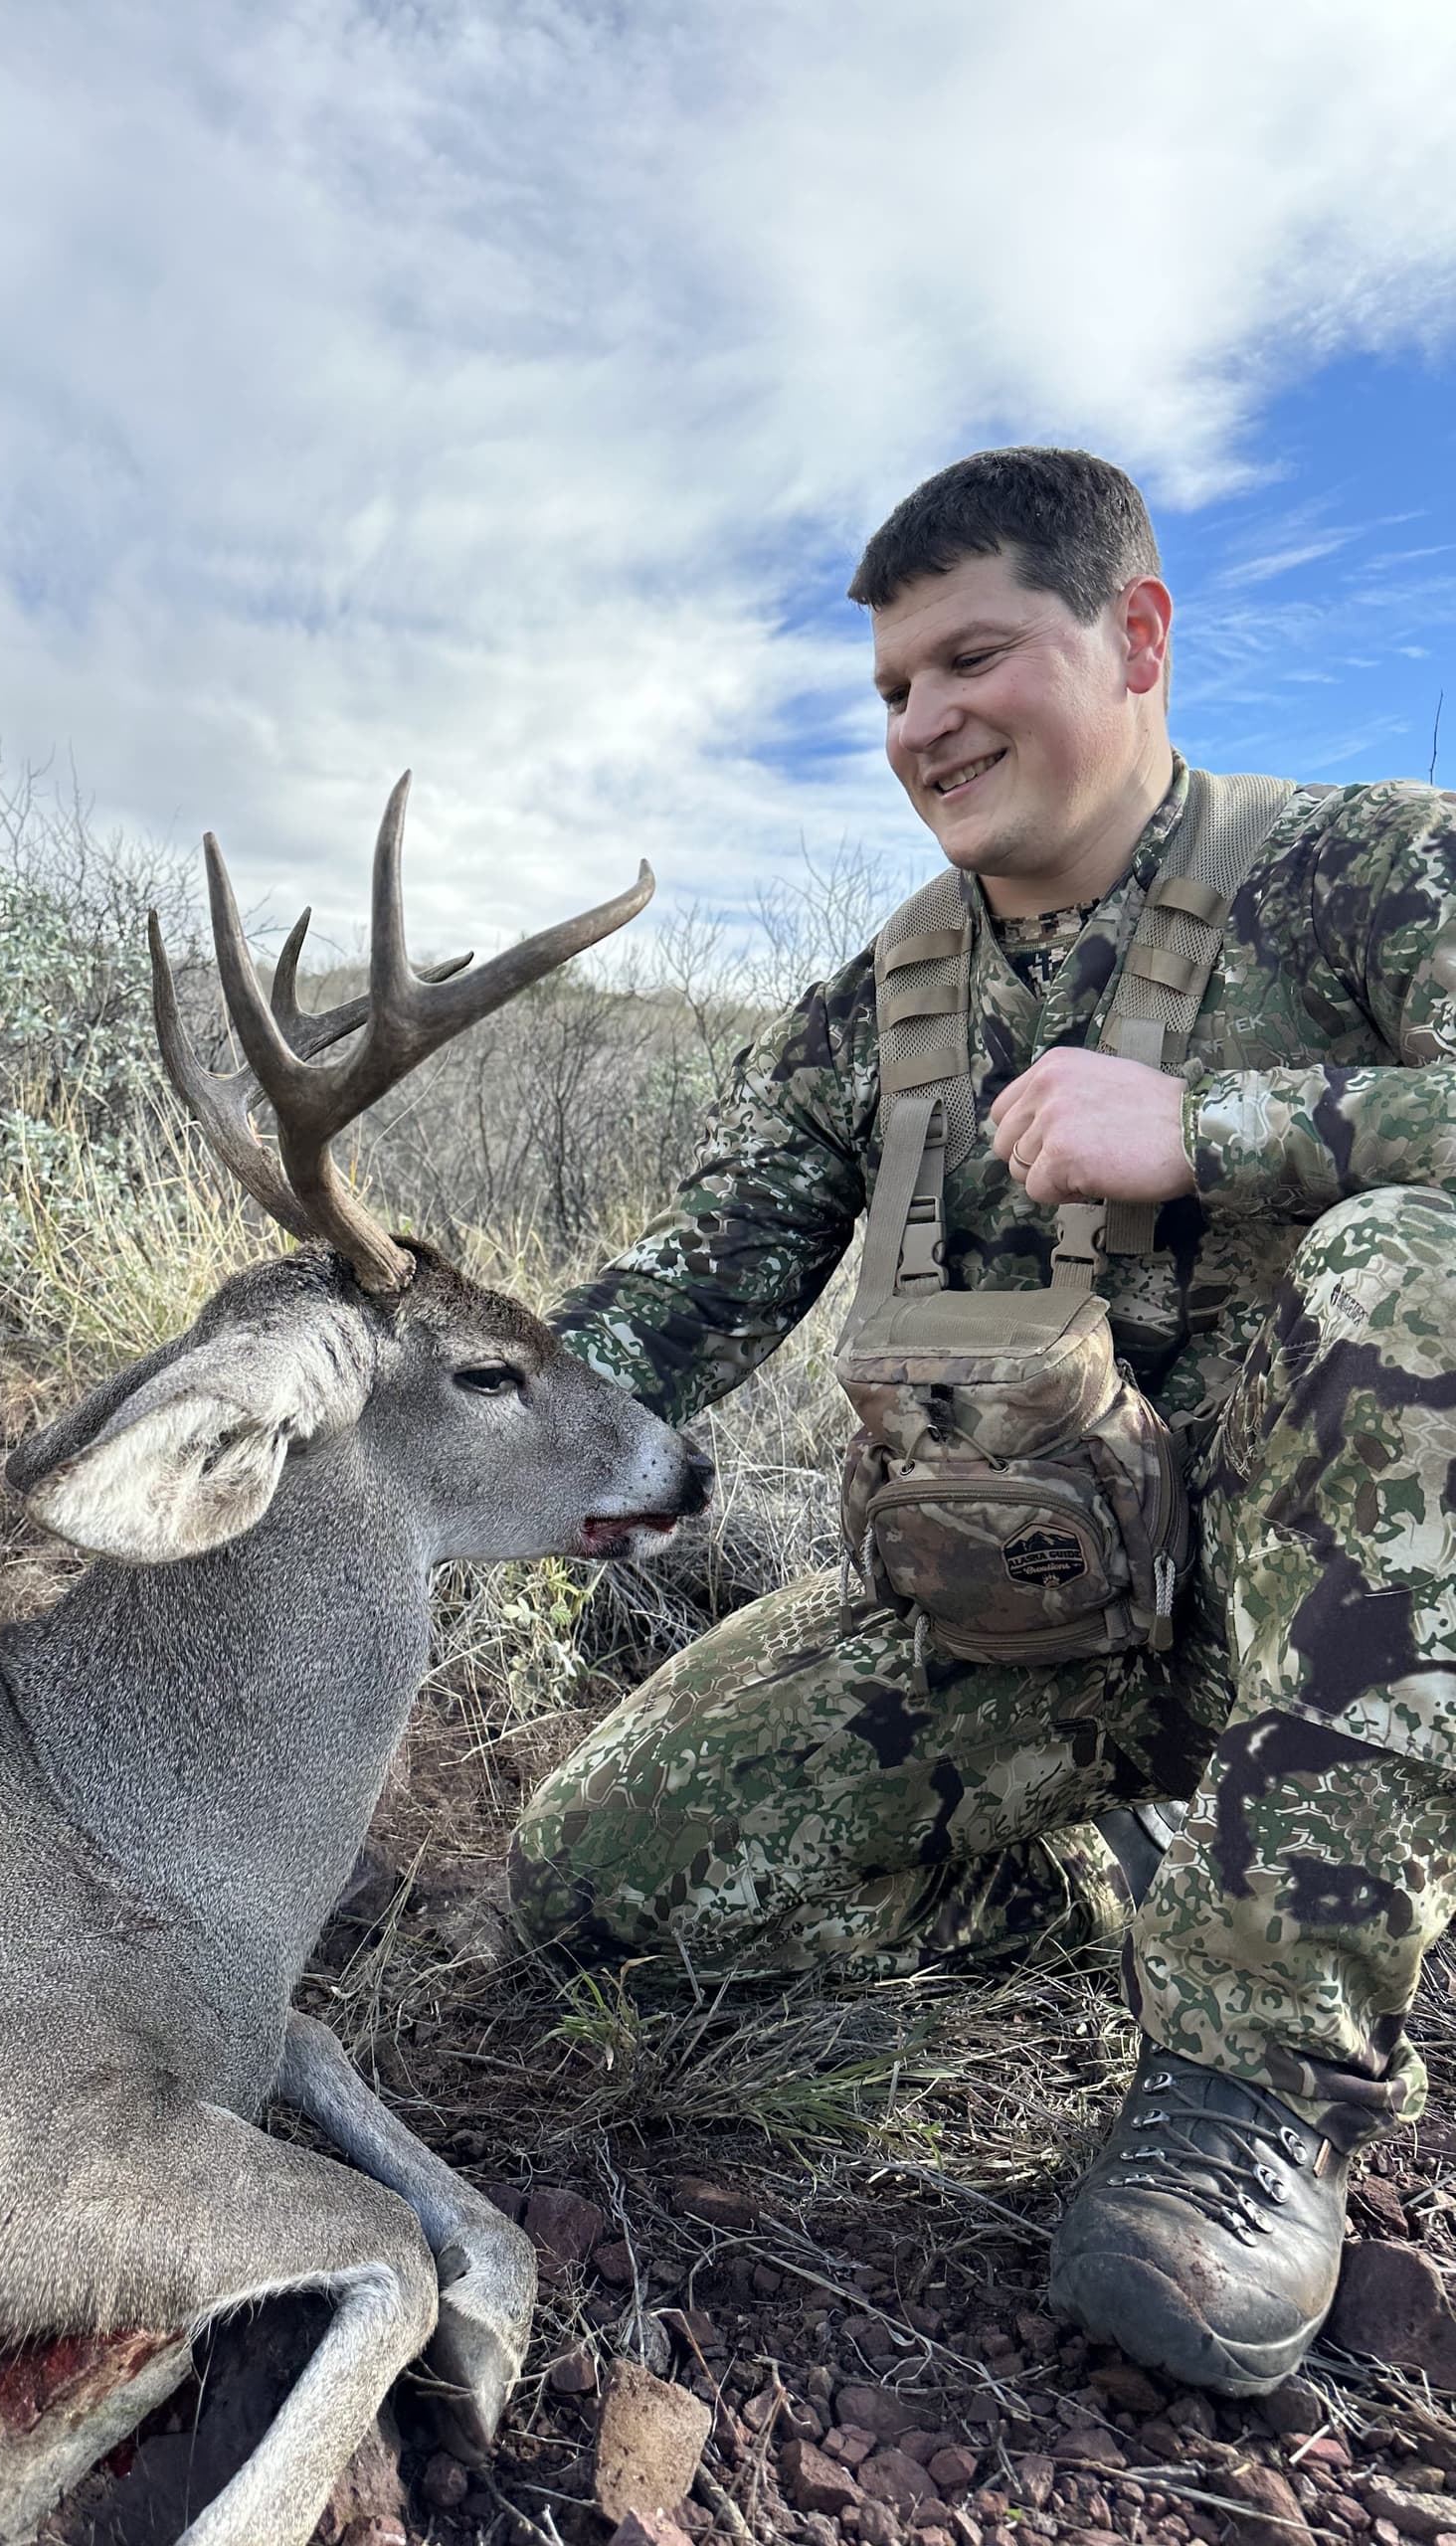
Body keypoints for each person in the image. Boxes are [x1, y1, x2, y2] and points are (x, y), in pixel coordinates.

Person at [509, 446, 1456, 2396]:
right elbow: (686, 1290)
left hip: (1344, 1628)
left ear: (1137, 635)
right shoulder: (885, 1002)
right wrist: (423, 1418)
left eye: (971, 658)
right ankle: (1091, 1892)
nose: (922, 724)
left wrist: (1216, 1129)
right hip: (1043, 1606)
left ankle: (1253, 2093)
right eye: (892, 688)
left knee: (1408, 1266)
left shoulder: (1369, 870)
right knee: (596, 1887)